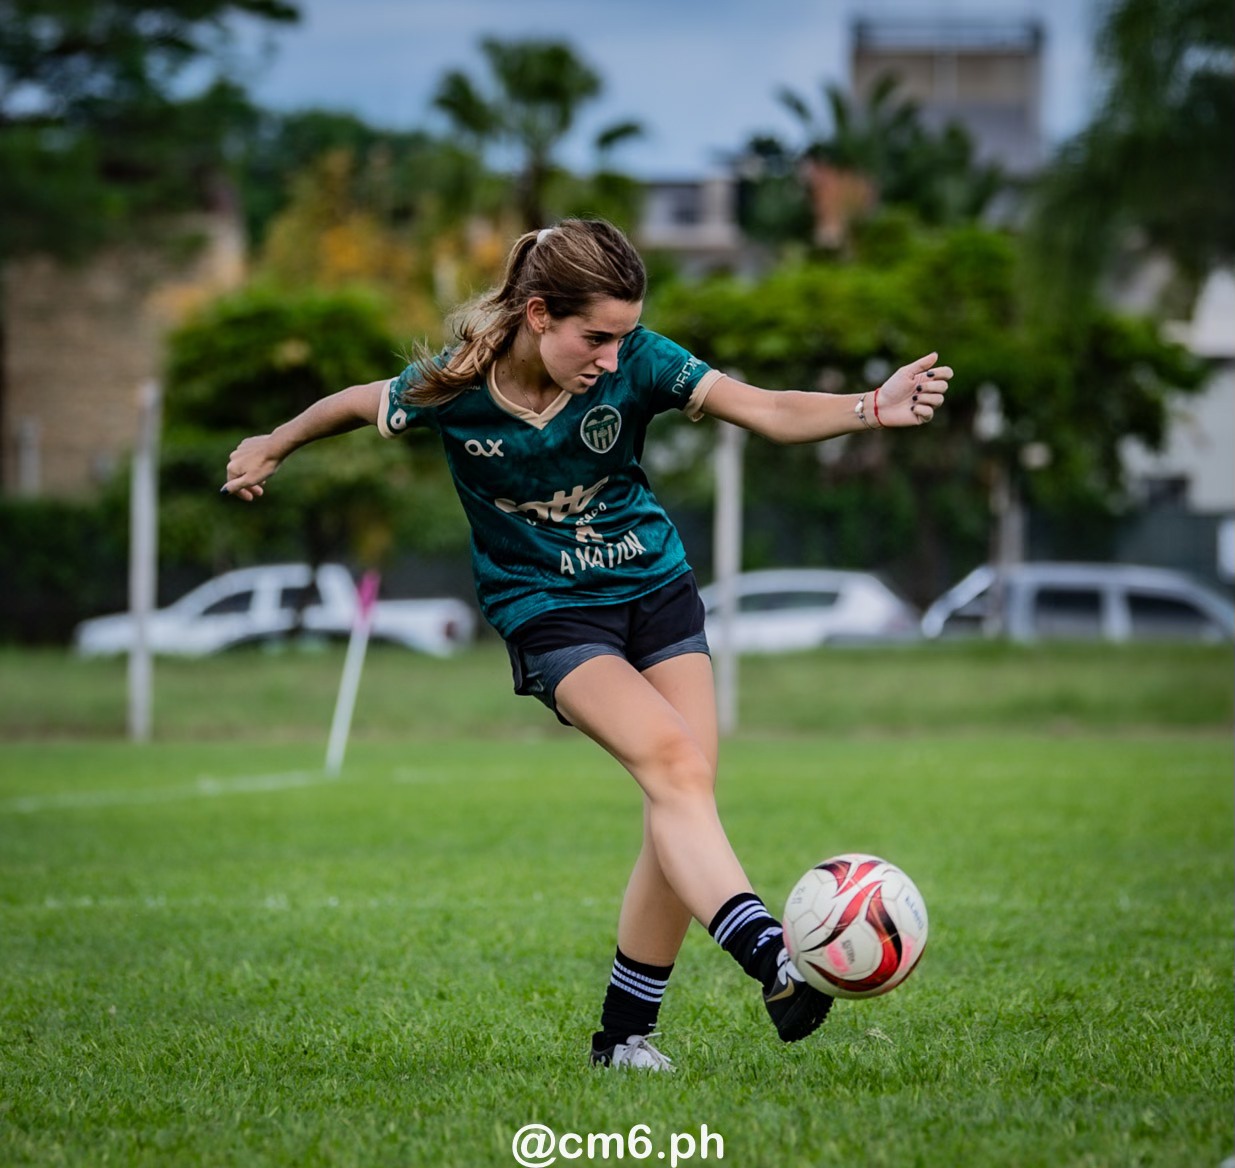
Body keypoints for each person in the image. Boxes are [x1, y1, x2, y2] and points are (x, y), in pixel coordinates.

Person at [222, 218, 951, 1071]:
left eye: (622, 336)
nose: (611, 357)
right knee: (675, 772)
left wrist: (869, 408)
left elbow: (765, 409)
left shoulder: (639, 359)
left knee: (682, 798)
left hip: (656, 591)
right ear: (538, 314)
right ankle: (775, 962)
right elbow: (355, 402)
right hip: (548, 611)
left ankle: (622, 1040)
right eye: (593, 338)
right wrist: (272, 444)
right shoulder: (458, 384)